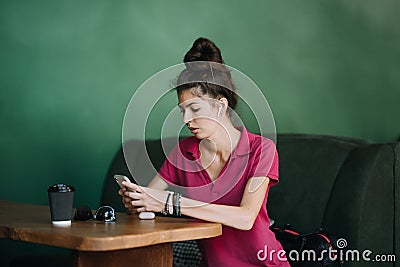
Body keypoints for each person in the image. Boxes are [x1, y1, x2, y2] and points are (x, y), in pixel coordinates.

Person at [119, 37, 290, 266]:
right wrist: (136, 201)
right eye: (182, 110)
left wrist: (170, 204)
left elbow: (245, 218)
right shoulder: (183, 152)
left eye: (194, 109)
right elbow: (150, 198)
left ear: (221, 106)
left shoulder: (261, 150)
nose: (186, 119)